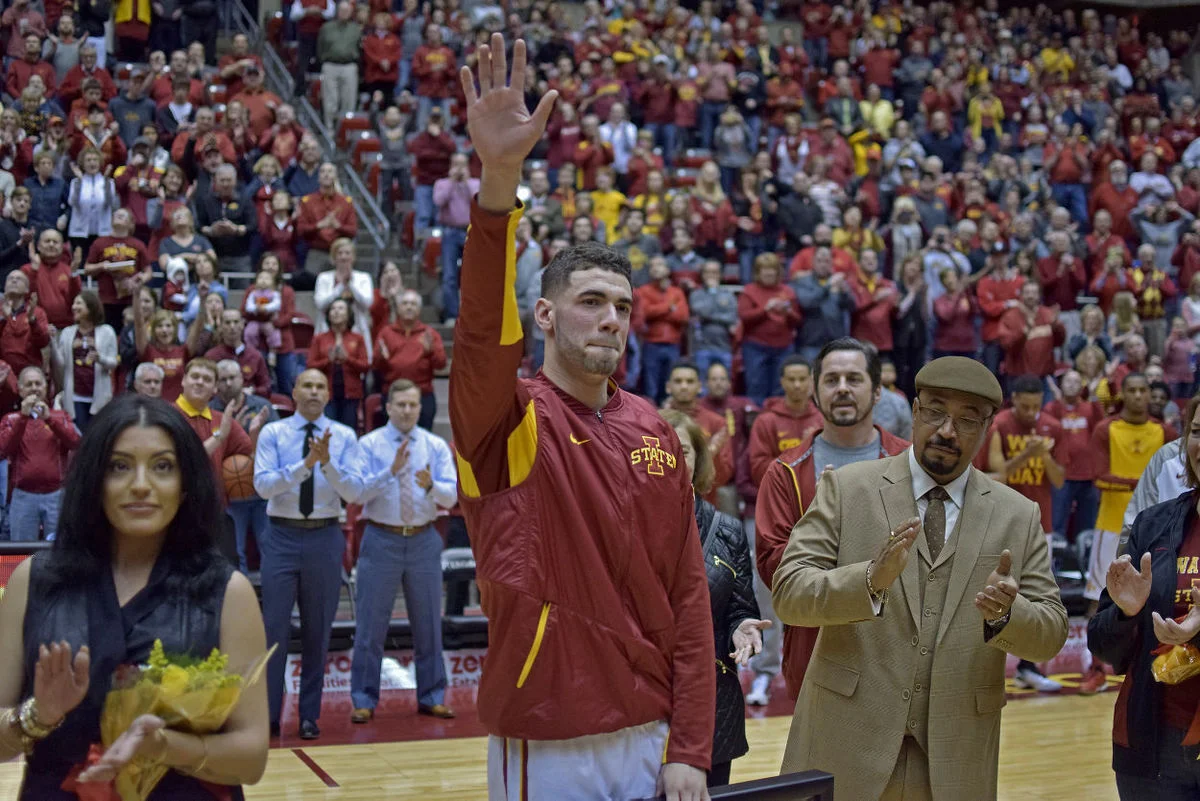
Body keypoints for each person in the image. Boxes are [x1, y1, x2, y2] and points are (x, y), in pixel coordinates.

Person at [449, 35, 713, 800]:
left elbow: (689, 595)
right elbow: (478, 340)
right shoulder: (509, 419)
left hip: (655, 734)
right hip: (547, 733)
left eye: (623, 307)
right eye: (590, 302)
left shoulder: (657, 431)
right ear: (545, 313)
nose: (611, 319)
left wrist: (691, 743)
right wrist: (500, 179)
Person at [772, 356, 1068, 800]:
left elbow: (1050, 634)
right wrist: (868, 581)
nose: (948, 430)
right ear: (913, 411)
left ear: (988, 427)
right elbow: (789, 593)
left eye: (968, 419)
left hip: (954, 759)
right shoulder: (848, 488)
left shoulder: (1017, 515)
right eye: (935, 411)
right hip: (845, 745)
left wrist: (1009, 615)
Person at [0, 393, 269, 798]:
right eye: (119, 466)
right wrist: (40, 715)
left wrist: (163, 746)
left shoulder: (228, 592)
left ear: (184, 486)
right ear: (94, 480)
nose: (140, 485)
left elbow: (252, 759)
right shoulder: (34, 581)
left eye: (162, 467)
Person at [754, 338, 909, 702]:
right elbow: (774, 571)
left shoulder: (910, 465)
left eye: (854, 379)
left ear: (876, 393)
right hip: (815, 653)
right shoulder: (785, 472)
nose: (842, 388)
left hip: (896, 651)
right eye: (831, 379)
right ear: (815, 391)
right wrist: (824, 522)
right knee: (818, 761)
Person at [1089, 394, 1200, 798]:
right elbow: (1103, 646)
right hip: (1155, 745)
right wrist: (1125, 613)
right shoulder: (1154, 523)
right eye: (1198, 432)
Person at [253, 368, 364, 741]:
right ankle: (268, 715)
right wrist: (306, 465)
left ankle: (309, 716)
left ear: (328, 395)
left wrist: (327, 462)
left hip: (325, 536)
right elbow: (264, 486)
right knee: (274, 631)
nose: (314, 391)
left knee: (318, 631)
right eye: (308, 385)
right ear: (295, 391)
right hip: (281, 536)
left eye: (321, 386)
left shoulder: (346, 436)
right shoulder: (274, 433)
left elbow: (356, 492)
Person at [662, 408, 768, 788]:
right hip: (645, 700)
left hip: (712, 699)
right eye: (663, 448)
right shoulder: (621, 525)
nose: (673, 458)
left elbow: (741, 606)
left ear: (698, 460)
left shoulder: (727, 529)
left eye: (684, 451)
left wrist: (742, 628)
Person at [350, 379, 458, 724]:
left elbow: (451, 497)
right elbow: (357, 495)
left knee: (428, 625)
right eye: (402, 405)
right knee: (370, 626)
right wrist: (390, 472)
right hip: (381, 538)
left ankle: (432, 695)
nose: (409, 411)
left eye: (414, 405)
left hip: (424, 539)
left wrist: (430, 486)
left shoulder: (435, 445)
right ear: (388, 407)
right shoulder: (368, 445)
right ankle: (363, 699)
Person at [1084, 372, 1177, 694]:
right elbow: (1099, 476)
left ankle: (1158, 662)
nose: (1138, 396)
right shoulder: (1105, 428)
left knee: (1154, 596)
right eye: (1132, 390)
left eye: (1143, 390)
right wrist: (1143, 483)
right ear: (1122, 393)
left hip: (1156, 529)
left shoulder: (1163, 431)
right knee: (1098, 596)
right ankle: (1094, 668)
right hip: (1112, 524)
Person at [984, 374, 1068, 693]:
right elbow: (997, 474)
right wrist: (1024, 456)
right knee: (993, 592)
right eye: (1025, 405)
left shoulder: (1053, 428)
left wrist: (1043, 454)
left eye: (1037, 406)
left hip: (1041, 522)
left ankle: (1028, 668)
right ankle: (987, 666)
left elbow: (1060, 480)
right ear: (1014, 398)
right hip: (1003, 520)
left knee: (1037, 595)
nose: (1031, 412)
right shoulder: (1000, 425)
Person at [0, 366, 80, 542]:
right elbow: (3, 450)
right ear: (20, 390)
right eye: (29, 384)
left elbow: (75, 442)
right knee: (21, 554)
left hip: (56, 495)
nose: (34, 388)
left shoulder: (60, 416)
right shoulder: (11, 419)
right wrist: (23, 417)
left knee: (58, 553)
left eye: (38, 383)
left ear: (46, 387)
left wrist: (49, 419)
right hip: (23, 497)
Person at [211, 358, 276, 573]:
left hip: (261, 491)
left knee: (269, 548)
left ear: (242, 379)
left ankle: (272, 598)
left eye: (232, 378)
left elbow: (277, 445)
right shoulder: (210, 411)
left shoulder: (262, 407)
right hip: (229, 491)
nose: (228, 383)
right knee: (233, 552)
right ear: (216, 384)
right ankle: (238, 601)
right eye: (223, 380)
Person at [373, 290, 446, 431]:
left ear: (419, 310)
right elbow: (375, 365)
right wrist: (381, 358)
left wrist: (431, 351)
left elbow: (441, 364)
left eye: (413, 304)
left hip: (422, 396)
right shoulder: (386, 333)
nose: (409, 307)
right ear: (398, 308)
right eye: (405, 303)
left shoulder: (429, 334)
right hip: (393, 395)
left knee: (422, 441)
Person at [747, 355, 823, 486]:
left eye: (802, 379)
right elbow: (758, 470)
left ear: (812, 381)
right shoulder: (765, 421)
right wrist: (802, 450)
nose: (797, 385)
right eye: (791, 379)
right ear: (782, 381)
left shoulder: (822, 420)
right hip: (779, 493)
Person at [52, 290, 116, 431]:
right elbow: (60, 364)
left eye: (79, 303)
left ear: (91, 306)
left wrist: (100, 359)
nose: (74, 307)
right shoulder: (68, 332)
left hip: (99, 396)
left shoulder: (107, 331)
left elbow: (113, 362)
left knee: (97, 435)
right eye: (74, 303)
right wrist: (52, 342)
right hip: (75, 395)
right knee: (80, 436)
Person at [307, 298, 368, 432]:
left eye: (340, 308)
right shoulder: (320, 338)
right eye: (333, 309)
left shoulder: (357, 338)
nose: (336, 312)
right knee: (328, 431)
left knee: (349, 430)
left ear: (348, 314)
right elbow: (310, 365)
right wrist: (328, 361)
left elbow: (365, 366)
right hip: (326, 392)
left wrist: (348, 359)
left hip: (351, 393)